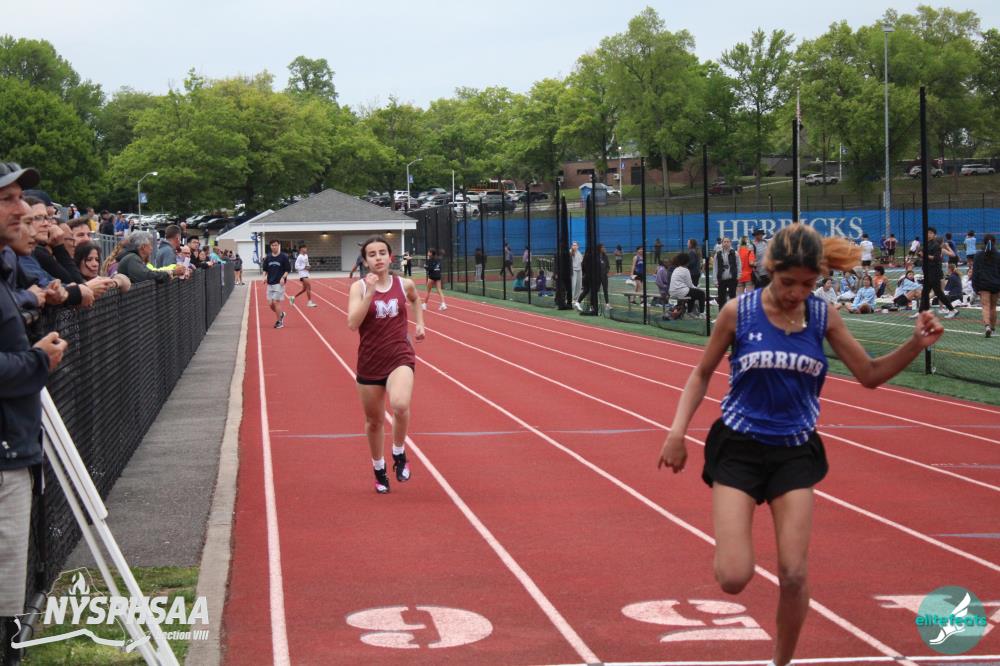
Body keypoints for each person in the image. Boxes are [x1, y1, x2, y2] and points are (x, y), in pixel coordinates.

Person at [657, 223, 943, 666]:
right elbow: (701, 373)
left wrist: (915, 344)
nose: (797, 293)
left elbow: (869, 375)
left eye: (809, 284)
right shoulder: (738, 312)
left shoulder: (823, 316)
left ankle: (782, 661)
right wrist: (677, 432)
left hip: (793, 451)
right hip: (739, 447)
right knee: (733, 577)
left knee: (793, 574)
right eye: (789, 282)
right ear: (771, 270)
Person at [0, 161, 69, 666]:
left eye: (20, 198)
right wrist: (38, 360)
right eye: (7, 199)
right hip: (4, 452)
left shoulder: (7, 269)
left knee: (9, 594)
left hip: (13, 445)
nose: (21, 208)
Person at [346, 235, 425, 494]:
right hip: (370, 361)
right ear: (365, 261)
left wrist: (420, 324)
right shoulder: (358, 288)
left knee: (400, 405)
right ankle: (379, 469)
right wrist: (370, 293)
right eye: (372, 254)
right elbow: (352, 323)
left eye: (382, 253)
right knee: (374, 421)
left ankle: (399, 452)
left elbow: (415, 299)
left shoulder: (404, 284)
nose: (378, 258)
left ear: (390, 257)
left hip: (399, 356)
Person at [913, 227, 957, 319]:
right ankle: (921, 312)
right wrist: (919, 254)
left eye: (931, 233)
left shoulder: (936, 245)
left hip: (934, 272)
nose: (928, 235)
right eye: (927, 233)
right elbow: (922, 255)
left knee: (938, 293)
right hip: (927, 272)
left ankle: (952, 310)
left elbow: (936, 258)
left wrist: (925, 255)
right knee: (925, 293)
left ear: (934, 235)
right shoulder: (926, 244)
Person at [972, 234, 999, 337]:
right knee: (993, 307)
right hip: (996, 284)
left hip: (983, 284)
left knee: (985, 306)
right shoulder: (998, 255)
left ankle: (987, 326)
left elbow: (975, 272)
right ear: (994, 242)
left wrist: (975, 286)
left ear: (984, 242)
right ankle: (993, 329)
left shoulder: (978, 255)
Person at [263, 240, 290, 329]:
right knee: (271, 305)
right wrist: (264, 277)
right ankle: (281, 314)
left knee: (275, 302)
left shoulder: (283, 257)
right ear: (270, 246)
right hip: (270, 283)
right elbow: (265, 269)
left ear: (279, 246)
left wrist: (283, 277)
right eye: (272, 245)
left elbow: (287, 270)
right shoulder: (268, 257)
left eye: (276, 245)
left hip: (279, 283)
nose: (274, 247)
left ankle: (279, 322)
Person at [715, 237, 740, 308]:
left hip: (732, 278)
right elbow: (715, 268)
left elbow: (739, 265)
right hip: (721, 278)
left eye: (728, 242)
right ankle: (722, 313)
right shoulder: (717, 254)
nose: (726, 243)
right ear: (722, 243)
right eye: (724, 242)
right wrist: (715, 280)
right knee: (721, 299)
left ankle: (733, 312)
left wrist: (738, 275)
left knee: (732, 297)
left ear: (730, 243)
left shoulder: (735, 253)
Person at [570, 241, 583, 307]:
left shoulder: (579, 253)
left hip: (579, 270)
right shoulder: (570, 252)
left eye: (575, 245)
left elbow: (582, 262)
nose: (574, 246)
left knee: (579, 285)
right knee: (573, 285)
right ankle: (571, 299)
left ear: (578, 246)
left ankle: (576, 299)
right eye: (573, 245)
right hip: (573, 270)